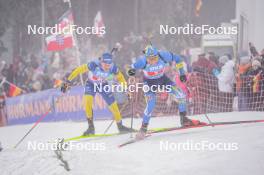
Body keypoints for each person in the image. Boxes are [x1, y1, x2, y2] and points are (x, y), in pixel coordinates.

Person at [127, 45, 203, 138]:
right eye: (149, 59)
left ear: (157, 55)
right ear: (146, 57)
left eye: (154, 58)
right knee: (151, 104)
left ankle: (184, 119)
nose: (152, 61)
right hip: (149, 83)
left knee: (181, 94)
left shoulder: (163, 55)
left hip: (163, 80)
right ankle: (143, 128)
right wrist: (131, 76)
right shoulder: (142, 61)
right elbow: (130, 68)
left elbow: (178, 59)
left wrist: (182, 73)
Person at [61, 52, 133, 136]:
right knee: (87, 102)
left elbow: (120, 78)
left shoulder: (113, 68)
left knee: (113, 105)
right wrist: (67, 82)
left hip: (103, 85)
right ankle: (91, 128)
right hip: (91, 84)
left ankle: (120, 126)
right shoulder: (93, 65)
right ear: (101, 62)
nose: (107, 66)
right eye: (105, 64)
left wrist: (126, 90)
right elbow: (78, 70)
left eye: (109, 64)